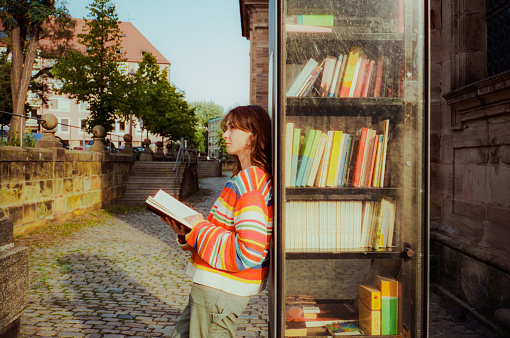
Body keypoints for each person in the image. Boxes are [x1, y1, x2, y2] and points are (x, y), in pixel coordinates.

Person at [161, 105, 274, 338]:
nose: (225, 134)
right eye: (226, 128)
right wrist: (187, 231)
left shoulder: (251, 181)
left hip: (220, 289)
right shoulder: (245, 177)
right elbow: (226, 232)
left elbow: (249, 252)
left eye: (232, 128)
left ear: (253, 134)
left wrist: (200, 227)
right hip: (214, 286)